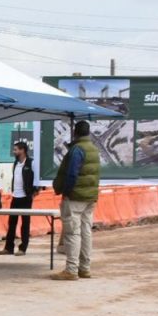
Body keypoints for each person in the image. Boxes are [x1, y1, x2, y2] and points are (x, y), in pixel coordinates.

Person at [51, 120, 101, 280]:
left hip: (75, 197)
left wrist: (65, 191)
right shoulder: (94, 149)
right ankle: (85, 268)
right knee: (86, 232)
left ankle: (71, 270)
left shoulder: (77, 149)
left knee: (72, 233)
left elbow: (71, 174)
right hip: (90, 197)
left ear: (75, 133)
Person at [0, 142, 38, 256]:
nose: (14, 152)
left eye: (16, 150)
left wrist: (34, 192)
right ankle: (8, 248)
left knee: (25, 223)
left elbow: (37, 179)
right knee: (12, 222)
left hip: (26, 197)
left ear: (23, 150)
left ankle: (22, 248)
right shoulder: (15, 163)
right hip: (15, 197)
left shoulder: (31, 162)